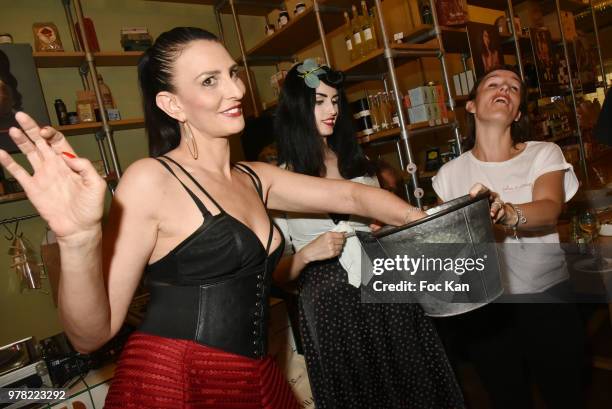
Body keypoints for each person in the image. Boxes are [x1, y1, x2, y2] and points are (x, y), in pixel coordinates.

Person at [0, 27, 424, 408]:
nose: (235, 90)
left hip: (257, 375)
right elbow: (90, 335)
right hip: (179, 382)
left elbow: (353, 194)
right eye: (209, 81)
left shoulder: (255, 176)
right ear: (172, 104)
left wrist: (424, 217)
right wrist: (77, 238)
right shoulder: (151, 180)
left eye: (232, 73)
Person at [272, 60, 465, 409]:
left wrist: (384, 231)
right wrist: (306, 254)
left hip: (385, 292)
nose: (332, 110)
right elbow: (278, 275)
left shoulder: (357, 164)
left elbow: (387, 228)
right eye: (320, 101)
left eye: (335, 100)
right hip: (332, 310)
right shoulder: (279, 180)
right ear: (297, 107)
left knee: (412, 385)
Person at [432, 65, 585, 409]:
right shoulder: (448, 175)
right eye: (493, 84)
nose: (505, 89)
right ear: (471, 105)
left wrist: (506, 213)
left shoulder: (542, 153)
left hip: (547, 299)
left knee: (565, 395)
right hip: (486, 311)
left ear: (517, 112)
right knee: (507, 398)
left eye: (514, 88)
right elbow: (446, 242)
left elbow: (549, 207)